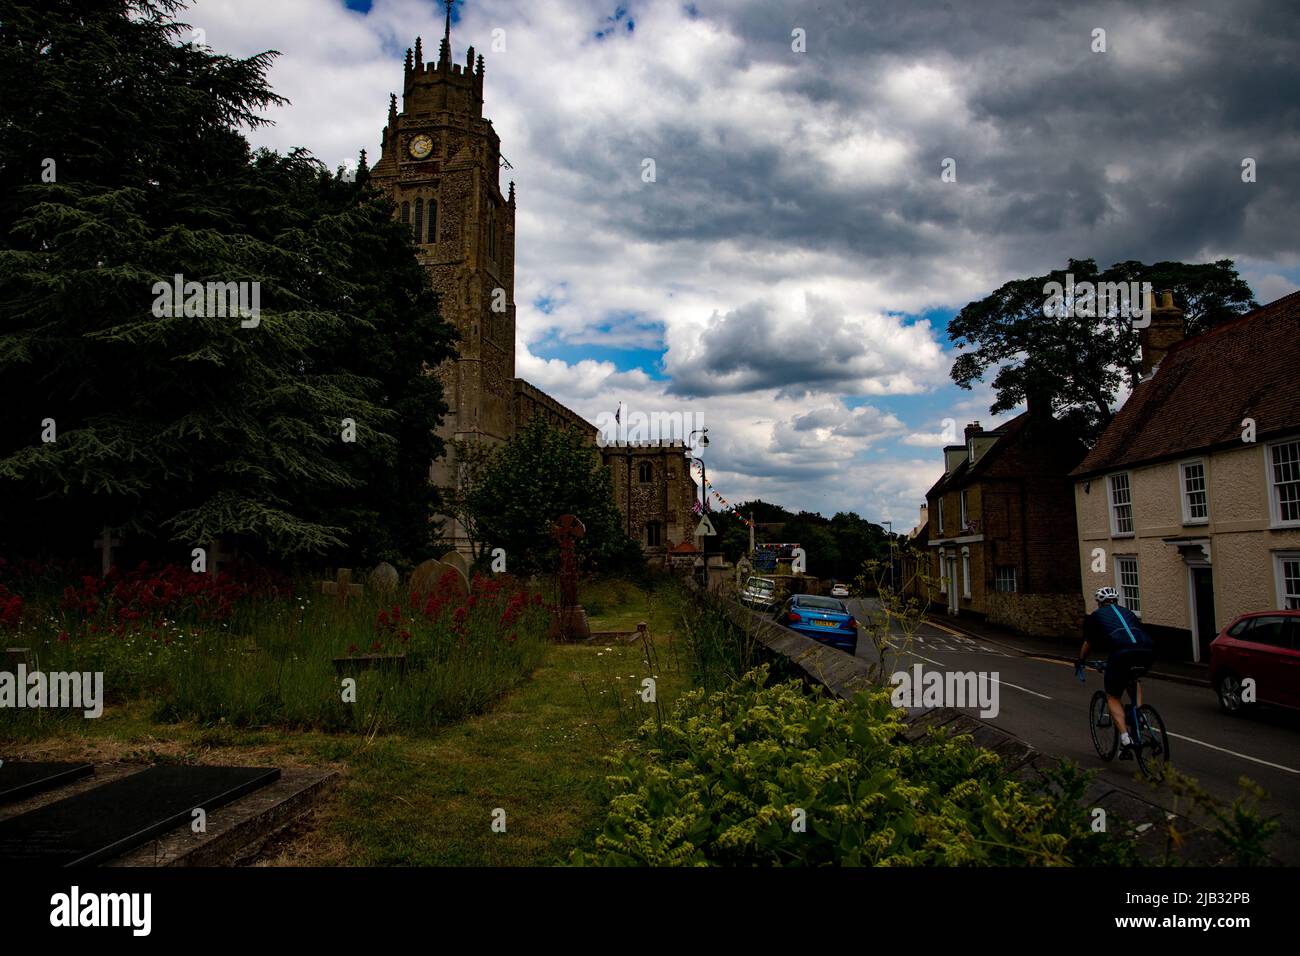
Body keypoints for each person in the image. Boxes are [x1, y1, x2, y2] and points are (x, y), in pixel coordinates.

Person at [1075, 586, 1156, 759]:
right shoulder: (1128, 612)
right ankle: (1138, 715)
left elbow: (1089, 642)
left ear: (1099, 603)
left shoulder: (1096, 616)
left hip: (1121, 653)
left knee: (1112, 695)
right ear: (1116, 601)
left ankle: (1125, 738)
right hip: (1146, 652)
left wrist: (1081, 660)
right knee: (1134, 680)